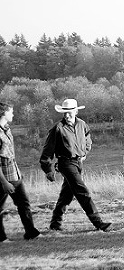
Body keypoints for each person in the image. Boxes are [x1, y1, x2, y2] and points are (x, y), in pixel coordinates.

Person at [40, 99, 111, 232]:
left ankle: (55, 223)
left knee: (66, 195)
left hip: (78, 163)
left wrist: (85, 152)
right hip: (65, 163)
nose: (67, 115)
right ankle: (98, 223)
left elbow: (87, 139)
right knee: (82, 191)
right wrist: (48, 170)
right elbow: (47, 151)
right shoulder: (57, 129)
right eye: (64, 113)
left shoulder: (82, 124)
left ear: (76, 111)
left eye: (69, 112)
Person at [0, 102, 41, 241]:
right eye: (11, 112)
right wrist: (4, 182)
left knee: (24, 204)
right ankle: (1, 237)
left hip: (15, 176)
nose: (13, 114)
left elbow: (10, 154)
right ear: (3, 113)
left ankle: (31, 233)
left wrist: (18, 173)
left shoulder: (6, 129)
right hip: (4, 179)